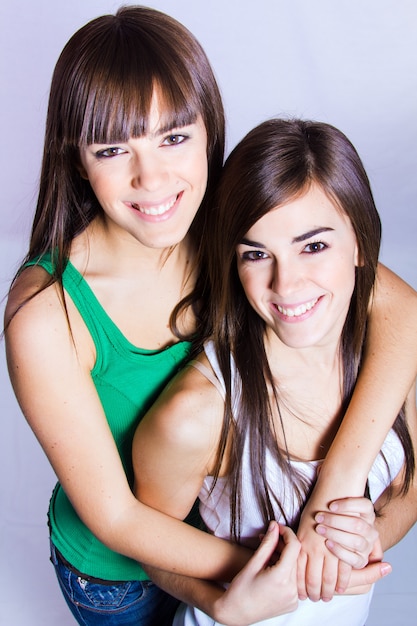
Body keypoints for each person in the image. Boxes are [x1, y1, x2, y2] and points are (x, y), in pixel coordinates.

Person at [3, 5, 417, 625]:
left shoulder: (226, 224)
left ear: (209, 126)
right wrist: (232, 589)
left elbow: (396, 305)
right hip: (124, 573)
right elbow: (116, 514)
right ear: (75, 156)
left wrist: (336, 493)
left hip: (235, 520)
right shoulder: (46, 315)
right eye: (113, 148)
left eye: (174, 138)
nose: (153, 178)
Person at [134, 118, 417, 626]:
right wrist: (217, 602)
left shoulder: (387, 352)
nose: (286, 284)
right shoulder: (196, 415)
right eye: (257, 254)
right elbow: (150, 548)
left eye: (313, 246)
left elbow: (409, 487)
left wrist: (371, 535)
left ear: (360, 243)